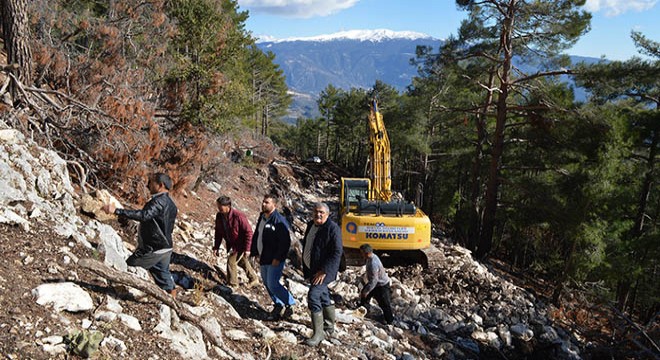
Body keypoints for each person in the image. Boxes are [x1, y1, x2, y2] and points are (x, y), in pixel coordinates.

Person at [102, 173, 178, 297]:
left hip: (154, 248)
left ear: (160, 185)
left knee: (128, 266)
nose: (148, 185)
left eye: (151, 182)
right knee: (164, 277)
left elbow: (144, 215)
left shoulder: (159, 201)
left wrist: (116, 211)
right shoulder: (171, 204)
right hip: (166, 248)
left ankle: (118, 293)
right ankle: (174, 306)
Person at [300, 202, 342, 346]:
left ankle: (318, 334)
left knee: (313, 296)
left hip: (323, 271)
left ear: (327, 214)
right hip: (312, 269)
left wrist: (324, 270)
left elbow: (337, 252)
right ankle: (329, 327)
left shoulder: (333, 229)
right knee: (324, 295)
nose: (318, 214)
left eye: (321, 212)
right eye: (316, 211)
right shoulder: (310, 225)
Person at [250, 194, 296, 320]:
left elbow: (285, 242)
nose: (264, 204)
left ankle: (290, 304)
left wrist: (278, 257)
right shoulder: (262, 217)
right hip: (263, 256)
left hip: (274, 259)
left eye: (267, 202)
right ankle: (278, 304)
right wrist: (255, 252)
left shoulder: (278, 220)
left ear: (274, 205)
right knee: (266, 282)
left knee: (273, 283)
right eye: (263, 202)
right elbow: (257, 234)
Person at [212, 195, 260, 288]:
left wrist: (247, 249)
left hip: (241, 244)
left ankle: (233, 284)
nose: (219, 209)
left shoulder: (238, 216)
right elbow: (218, 232)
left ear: (228, 206)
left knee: (231, 262)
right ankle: (254, 279)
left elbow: (249, 232)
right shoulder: (219, 216)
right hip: (232, 244)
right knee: (242, 261)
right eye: (218, 206)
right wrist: (216, 247)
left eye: (220, 207)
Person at [359, 243, 394, 325]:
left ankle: (389, 321)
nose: (361, 254)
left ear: (366, 253)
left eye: (362, 253)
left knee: (385, 304)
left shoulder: (373, 263)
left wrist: (367, 290)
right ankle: (363, 311)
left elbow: (374, 280)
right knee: (364, 296)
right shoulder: (371, 257)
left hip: (381, 285)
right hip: (374, 283)